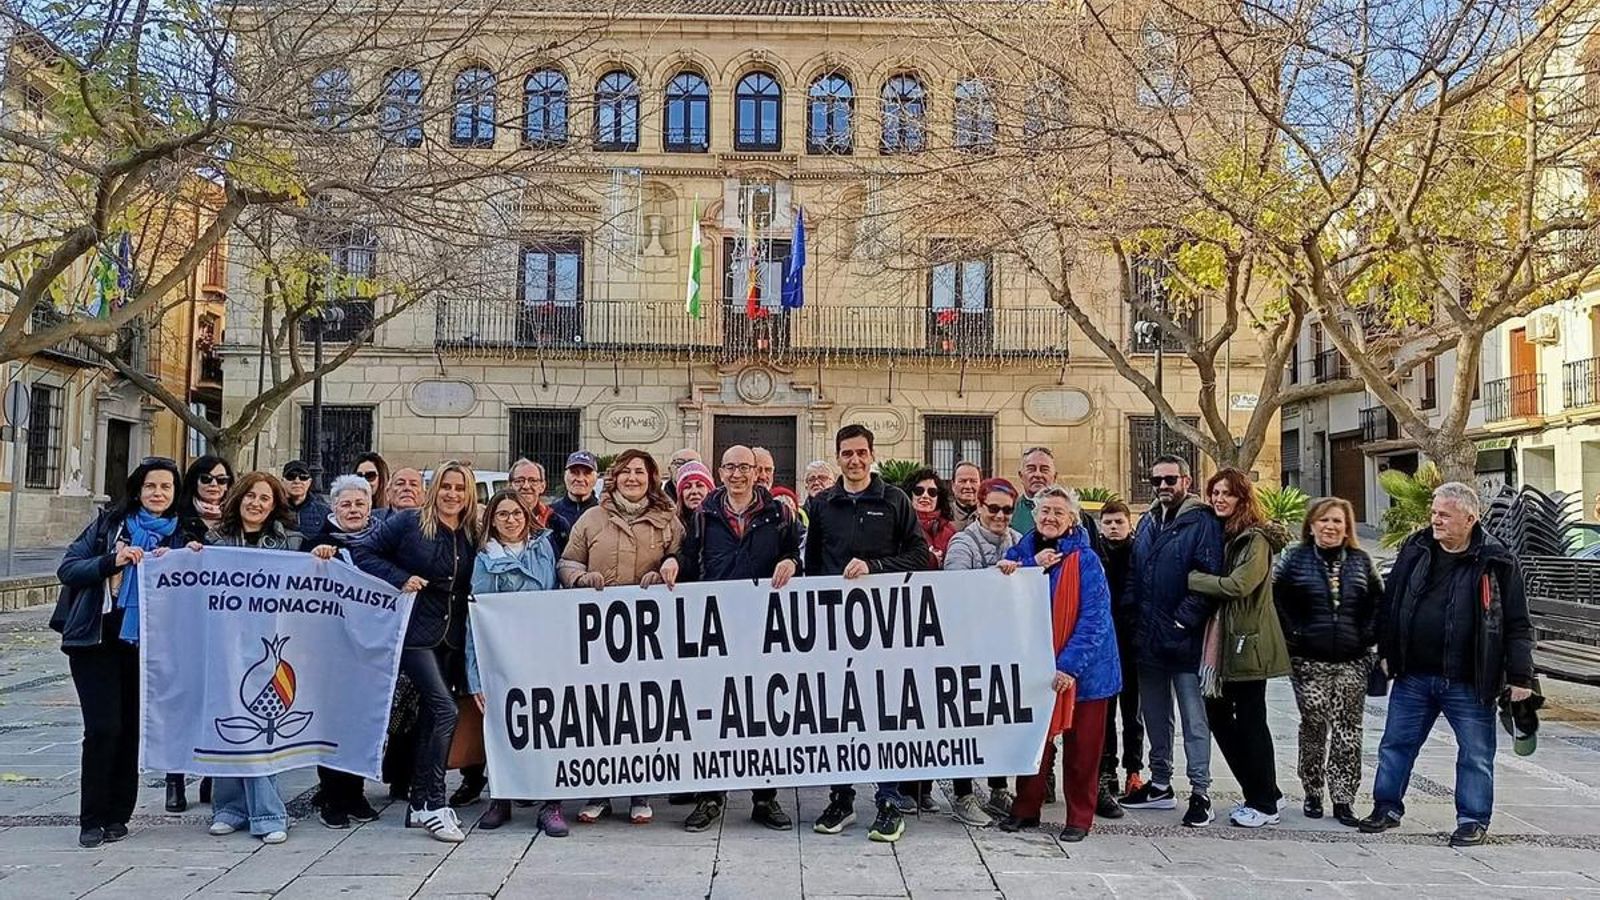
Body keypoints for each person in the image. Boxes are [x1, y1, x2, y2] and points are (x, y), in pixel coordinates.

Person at [1358, 482, 1534, 847]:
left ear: (1470, 518)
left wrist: (1520, 676)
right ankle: (1386, 808)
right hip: (1414, 675)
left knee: (1476, 753)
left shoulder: (1497, 559)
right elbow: (1392, 603)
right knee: (1396, 744)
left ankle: (1472, 819)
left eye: (1444, 515)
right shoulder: (1416, 548)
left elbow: (1517, 622)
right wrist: (1387, 652)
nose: (1435, 520)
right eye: (1434, 512)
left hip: (1470, 679)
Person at [53, 457, 189, 848]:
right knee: (102, 729)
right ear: (138, 490)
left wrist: (192, 555)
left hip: (148, 646)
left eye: (166, 487)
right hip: (97, 638)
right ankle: (91, 817)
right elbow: (69, 569)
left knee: (130, 729)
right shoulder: (109, 526)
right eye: (151, 487)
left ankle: (118, 816)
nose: (158, 494)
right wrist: (112, 561)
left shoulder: (182, 535)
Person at [807, 424, 930, 843]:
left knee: (885, 711)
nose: (855, 460)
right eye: (847, 454)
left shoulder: (894, 500)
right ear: (838, 457)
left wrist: (874, 569)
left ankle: (889, 800)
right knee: (839, 713)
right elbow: (812, 566)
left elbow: (919, 555)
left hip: (886, 627)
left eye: (861, 453)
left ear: (872, 455)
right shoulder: (822, 504)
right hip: (834, 628)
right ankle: (841, 797)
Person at [351, 460, 481, 843]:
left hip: (452, 634)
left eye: (460, 488)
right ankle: (435, 804)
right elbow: (364, 554)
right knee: (444, 709)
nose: (452, 494)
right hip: (414, 632)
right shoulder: (409, 523)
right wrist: (400, 578)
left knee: (431, 716)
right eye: (446, 486)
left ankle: (420, 803)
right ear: (434, 488)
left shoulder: (471, 530)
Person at [674, 445, 802, 833]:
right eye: (730, 467)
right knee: (715, 713)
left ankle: (765, 797)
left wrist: (791, 562)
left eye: (745, 468)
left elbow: (799, 554)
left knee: (765, 712)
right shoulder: (703, 515)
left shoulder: (780, 514)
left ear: (757, 473)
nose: (738, 474)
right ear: (721, 471)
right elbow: (687, 559)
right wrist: (671, 564)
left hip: (765, 628)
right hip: (715, 629)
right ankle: (711, 797)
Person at [559, 449, 684, 825]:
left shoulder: (668, 519)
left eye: (640, 472)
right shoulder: (592, 519)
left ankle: (639, 792)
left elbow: (682, 557)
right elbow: (568, 561)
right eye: (626, 471)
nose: (633, 478)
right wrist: (580, 579)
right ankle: (599, 792)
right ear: (615, 478)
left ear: (652, 478)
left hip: (649, 634)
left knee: (642, 712)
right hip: (599, 634)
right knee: (602, 712)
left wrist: (665, 569)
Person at [996, 486, 1120, 843]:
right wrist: (1011, 571)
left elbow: (1094, 620)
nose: (1050, 517)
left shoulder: (1086, 560)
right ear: (1034, 516)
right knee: (1034, 746)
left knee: (1083, 751)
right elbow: (1000, 597)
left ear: (1071, 520)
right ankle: (1025, 809)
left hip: (1085, 673)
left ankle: (1080, 817)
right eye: (1044, 511)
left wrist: (1069, 666)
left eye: (1058, 513)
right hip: (1036, 670)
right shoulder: (1020, 553)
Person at [191, 472, 304, 845]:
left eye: (265, 499)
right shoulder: (214, 541)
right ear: (238, 499)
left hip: (271, 644)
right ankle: (229, 808)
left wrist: (321, 556)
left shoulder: (291, 542)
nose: (256, 503)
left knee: (262, 727)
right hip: (225, 643)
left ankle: (269, 813)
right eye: (251, 496)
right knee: (231, 721)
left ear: (275, 506)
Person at [1120, 454, 1225, 828]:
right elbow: (1135, 570)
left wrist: (1182, 622)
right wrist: (1134, 618)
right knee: (1154, 715)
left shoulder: (1203, 522)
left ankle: (1201, 792)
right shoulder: (1148, 522)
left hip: (1185, 641)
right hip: (1148, 639)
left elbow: (1209, 576)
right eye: (1156, 480)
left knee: (1194, 720)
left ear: (1187, 480)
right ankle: (1160, 783)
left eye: (1170, 479)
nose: (1163, 486)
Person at [1186, 468, 1291, 828]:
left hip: (1248, 642)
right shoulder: (1226, 535)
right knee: (1220, 715)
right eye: (1215, 492)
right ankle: (1263, 790)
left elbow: (1238, 585)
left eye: (1227, 493)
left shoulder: (1255, 540)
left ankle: (1263, 802)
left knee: (1250, 722)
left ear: (1242, 498)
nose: (1219, 499)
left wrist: (1193, 578)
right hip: (1227, 641)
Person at [1273, 496, 1382, 827]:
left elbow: (1377, 603)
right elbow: (1278, 601)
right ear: (1311, 524)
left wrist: (1367, 636)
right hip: (1309, 661)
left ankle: (1344, 797)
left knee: (1349, 729)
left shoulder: (1361, 561)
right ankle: (1313, 790)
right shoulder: (1295, 559)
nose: (1330, 527)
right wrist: (1295, 635)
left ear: (1346, 526)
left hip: (1352, 659)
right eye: (1324, 520)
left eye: (1337, 521)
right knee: (1314, 724)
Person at [464, 490, 565, 835]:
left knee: (549, 727)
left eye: (517, 513)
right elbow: (475, 617)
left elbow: (554, 596)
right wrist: (474, 676)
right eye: (503, 514)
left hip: (541, 654)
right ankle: (501, 799)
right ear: (492, 519)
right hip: (500, 659)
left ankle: (551, 803)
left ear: (527, 517)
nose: (511, 520)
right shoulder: (483, 559)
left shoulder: (544, 548)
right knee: (502, 728)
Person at [942, 477, 1023, 827]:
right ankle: (962, 794)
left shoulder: (1018, 541)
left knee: (1000, 718)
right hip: (968, 646)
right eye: (993, 508)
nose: (1000, 516)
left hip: (1006, 646)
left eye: (1007, 510)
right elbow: (957, 588)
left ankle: (999, 787)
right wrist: (997, 576)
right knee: (966, 720)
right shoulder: (963, 542)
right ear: (979, 507)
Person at [304, 475, 383, 829]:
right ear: (334, 508)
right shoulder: (316, 542)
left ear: (370, 507)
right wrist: (316, 558)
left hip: (368, 647)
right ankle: (332, 796)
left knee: (360, 720)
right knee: (331, 722)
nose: (353, 510)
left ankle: (355, 792)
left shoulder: (381, 541)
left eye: (360, 504)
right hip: (328, 649)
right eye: (346, 504)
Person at [166, 454, 234, 812]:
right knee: (183, 700)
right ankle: (175, 778)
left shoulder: (236, 522)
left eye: (222, 480)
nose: (214, 485)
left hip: (223, 626)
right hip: (185, 624)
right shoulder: (178, 521)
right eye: (207, 478)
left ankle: (211, 774)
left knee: (217, 700)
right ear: (194, 481)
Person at [1097, 499, 1142, 817]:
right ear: (1101, 525)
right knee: (1105, 714)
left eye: (1119, 522)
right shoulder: (1094, 555)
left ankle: (1134, 770)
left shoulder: (1139, 554)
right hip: (1104, 644)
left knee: (1132, 714)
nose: (1114, 527)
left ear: (1129, 525)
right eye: (1109, 522)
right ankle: (1107, 769)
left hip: (1131, 643)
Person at [510, 458, 570, 556]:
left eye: (533, 480)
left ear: (542, 486)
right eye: (519, 481)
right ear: (510, 485)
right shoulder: (498, 522)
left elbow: (565, 562)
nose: (526, 486)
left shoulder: (558, 524)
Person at [904, 467, 958, 570]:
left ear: (939, 497)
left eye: (932, 492)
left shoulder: (950, 531)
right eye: (918, 491)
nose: (925, 496)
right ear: (909, 494)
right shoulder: (901, 527)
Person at [1010, 447, 1057, 535]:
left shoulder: (1070, 513)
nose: (1038, 475)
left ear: (1054, 477)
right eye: (1031, 469)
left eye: (1044, 470)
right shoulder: (1010, 511)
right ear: (1021, 476)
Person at [551, 451, 600, 529]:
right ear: (565, 476)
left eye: (587, 473)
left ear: (595, 478)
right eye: (574, 472)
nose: (580, 479)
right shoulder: (550, 514)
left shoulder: (604, 513)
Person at [282, 459, 331, 535]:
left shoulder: (324, 512)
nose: (297, 481)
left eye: (303, 477)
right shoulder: (273, 509)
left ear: (309, 482)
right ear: (283, 481)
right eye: (291, 476)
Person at [673, 460, 714, 530]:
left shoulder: (722, 522)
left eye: (699, 485)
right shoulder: (672, 524)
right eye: (687, 487)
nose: (694, 492)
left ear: (709, 490)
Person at [951, 461, 983, 528]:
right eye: (962, 481)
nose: (968, 486)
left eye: (973, 481)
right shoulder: (943, 517)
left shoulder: (990, 516)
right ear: (953, 485)